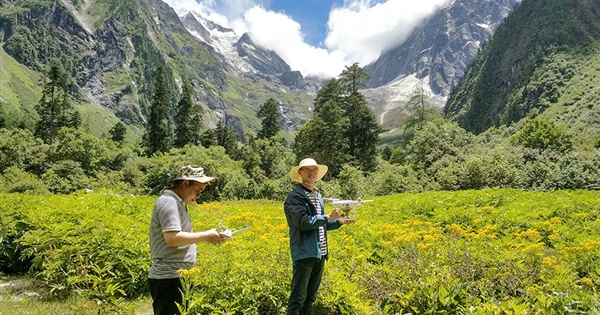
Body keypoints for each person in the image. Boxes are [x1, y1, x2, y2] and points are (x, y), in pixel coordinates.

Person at [148, 165, 225, 315]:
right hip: (169, 279)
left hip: (177, 277)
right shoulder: (169, 202)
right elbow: (172, 238)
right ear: (185, 183)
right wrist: (206, 236)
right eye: (198, 191)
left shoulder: (178, 203)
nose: (198, 197)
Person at [284, 158, 354, 315]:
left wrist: (340, 221)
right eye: (307, 170)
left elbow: (320, 225)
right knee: (298, 299)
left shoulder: (318, 196)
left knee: (310, 298)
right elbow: (304, 223)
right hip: (304, 253)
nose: (311, 173)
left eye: (314, 170)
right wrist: (328, 217)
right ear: (300, 173)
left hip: (319, 253)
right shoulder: (295, 197)